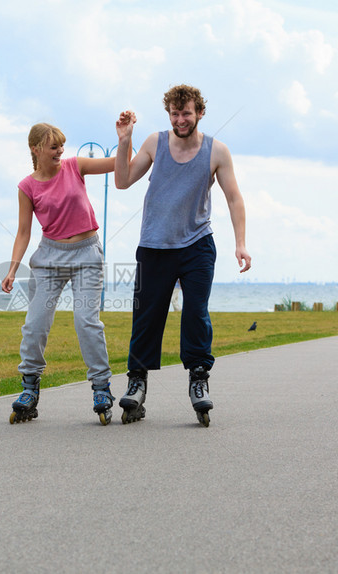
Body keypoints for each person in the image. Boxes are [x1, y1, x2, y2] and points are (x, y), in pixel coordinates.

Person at [114, 84, 252, 426]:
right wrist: (123, 140)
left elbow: (234, 198)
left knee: (195, 313)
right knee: (146, 318)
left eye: (186, 113)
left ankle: (199, 379)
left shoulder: (216, 151)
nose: (180, 119)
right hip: (154, 246)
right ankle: (137, 383)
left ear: (200, 113)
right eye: (175, 114)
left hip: (197, 245)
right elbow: (122, 180)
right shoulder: (154, 143)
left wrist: (241, 243)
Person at [2, 122, 127, 426]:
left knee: (86, 321)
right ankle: (30, 389)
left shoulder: (75, 166)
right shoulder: (27, 187)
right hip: (49, 258)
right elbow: (23, 232)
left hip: (86, 254)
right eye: (53, 146)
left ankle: (101, 387)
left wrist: (125, 139)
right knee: (34, 324)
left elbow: (121, 165)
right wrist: (12, 268)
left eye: (61, 146)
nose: (59, 151)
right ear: (35, 149)